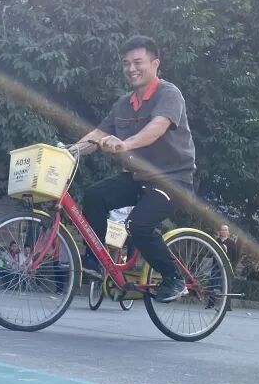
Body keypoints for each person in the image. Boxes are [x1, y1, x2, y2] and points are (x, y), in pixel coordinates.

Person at [72, 35, 196, 303]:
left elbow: (157, 127)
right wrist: (70, 151)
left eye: (138, 62)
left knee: (138, 225)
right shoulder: (122, 104)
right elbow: (97, 135)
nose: (131, 68)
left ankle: (174, 279)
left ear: (155, 63)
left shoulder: (168, 94)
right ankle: (96, 262)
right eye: (126, 63)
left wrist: (125, 144)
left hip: (171, 180)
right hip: (137, 178)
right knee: (94, 196)